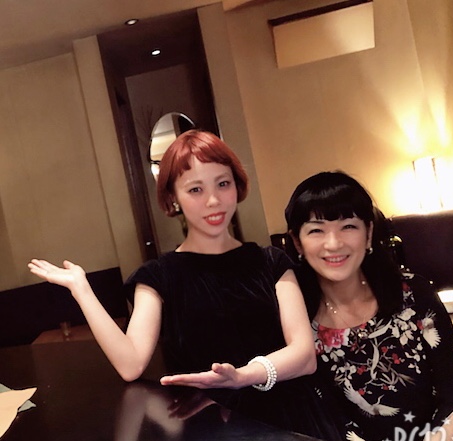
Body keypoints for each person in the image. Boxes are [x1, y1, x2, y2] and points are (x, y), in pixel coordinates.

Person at [28, 130, 342, 439]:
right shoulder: (157, 277)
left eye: (223, 184)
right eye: (195, 189)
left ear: (237, 185)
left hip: (291, 420)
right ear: (172, 198)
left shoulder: (271, 261)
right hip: (210, 426)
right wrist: (82, 289)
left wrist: (243, 376)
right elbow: (130, 364)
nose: (213, 200)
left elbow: (304, 356)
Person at [284, 170, 453, 441]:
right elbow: (330, 424)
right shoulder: (297, 324)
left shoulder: (414, 293)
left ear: (368, 232)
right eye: (316, 230)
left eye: (348, 226)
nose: (333, 243)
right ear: (297, 242)